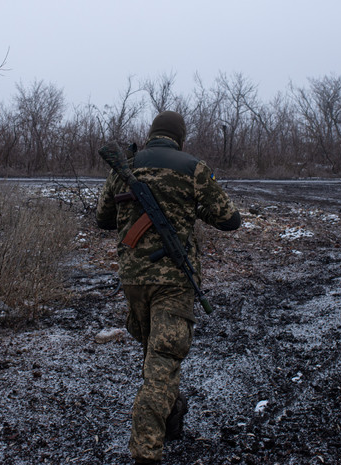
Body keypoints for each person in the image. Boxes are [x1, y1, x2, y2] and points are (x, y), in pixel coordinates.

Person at [96, 111, 241, 464]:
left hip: (133, 280)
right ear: (181, 137)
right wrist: (191, 207)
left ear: (152, 134)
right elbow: (230, 220)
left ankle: (172, 415)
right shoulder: (192, 167)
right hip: (173, 282)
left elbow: (102, 219)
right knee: (161, 362)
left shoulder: (124, 167)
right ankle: (146, 451)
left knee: (157, 359)